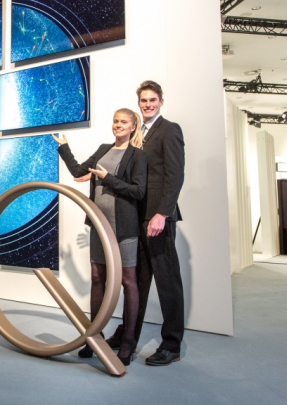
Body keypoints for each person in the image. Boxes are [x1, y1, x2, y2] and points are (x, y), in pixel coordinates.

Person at [53, 109, 147, 365]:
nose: (118, 125)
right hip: (98, 225)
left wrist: (109, 179)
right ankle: (94, 337)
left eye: (123, 122)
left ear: (133, 127)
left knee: (128, 282)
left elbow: (138, 192)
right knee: (97, 278)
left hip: (124, 228)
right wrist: (64, 147)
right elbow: (78, 171)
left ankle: (127, 342)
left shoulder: (138, 156)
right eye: (115, 121)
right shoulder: (104, 149)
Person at [106, 80, 185, 366]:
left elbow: (175, 175)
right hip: (136, 217)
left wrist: (162, 214)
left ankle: (171, 345)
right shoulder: (137, 133)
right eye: (143, 100)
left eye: (153, 100)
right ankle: (128, 334)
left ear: (161, 101)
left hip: (157, 218)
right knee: (136, 282)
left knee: (167, 282)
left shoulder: (169, 130)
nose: (148, 104)